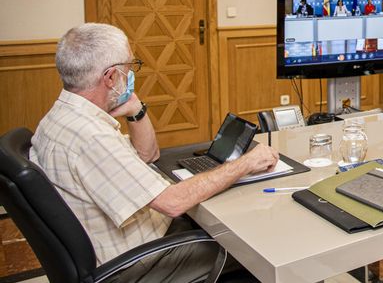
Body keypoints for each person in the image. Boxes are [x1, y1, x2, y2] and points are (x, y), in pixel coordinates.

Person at [30, 23, 279, 282]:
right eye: (129, 67)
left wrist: (135, 110)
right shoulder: (91, 136)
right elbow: (172, 203)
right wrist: (245, 163)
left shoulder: (62, 117)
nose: (131, 75)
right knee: (255, 246)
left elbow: (146, 156)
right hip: (139, 264)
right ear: (110, 78)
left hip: (136, 246)